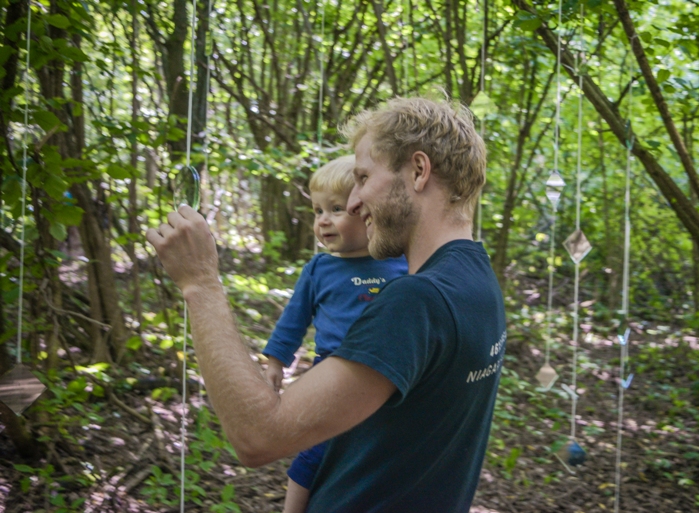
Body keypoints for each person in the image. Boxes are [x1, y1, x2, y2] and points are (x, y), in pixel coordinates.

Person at [146, 96, 506, 512]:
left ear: (419, 171)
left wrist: (200, 283)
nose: (353, 202)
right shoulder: (478, 281)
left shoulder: (417, 300)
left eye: (363, 177)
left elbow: (258, 436)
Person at [262, 155, 407, 512]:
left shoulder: (400, 263)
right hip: (331, 374)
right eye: (317, 211)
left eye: (337, 209)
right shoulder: (319, 269)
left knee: (378, 454)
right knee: (314, 453)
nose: (323, 220)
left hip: (387, 377)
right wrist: (276, 361)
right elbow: (294, 320)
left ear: (366, 211)